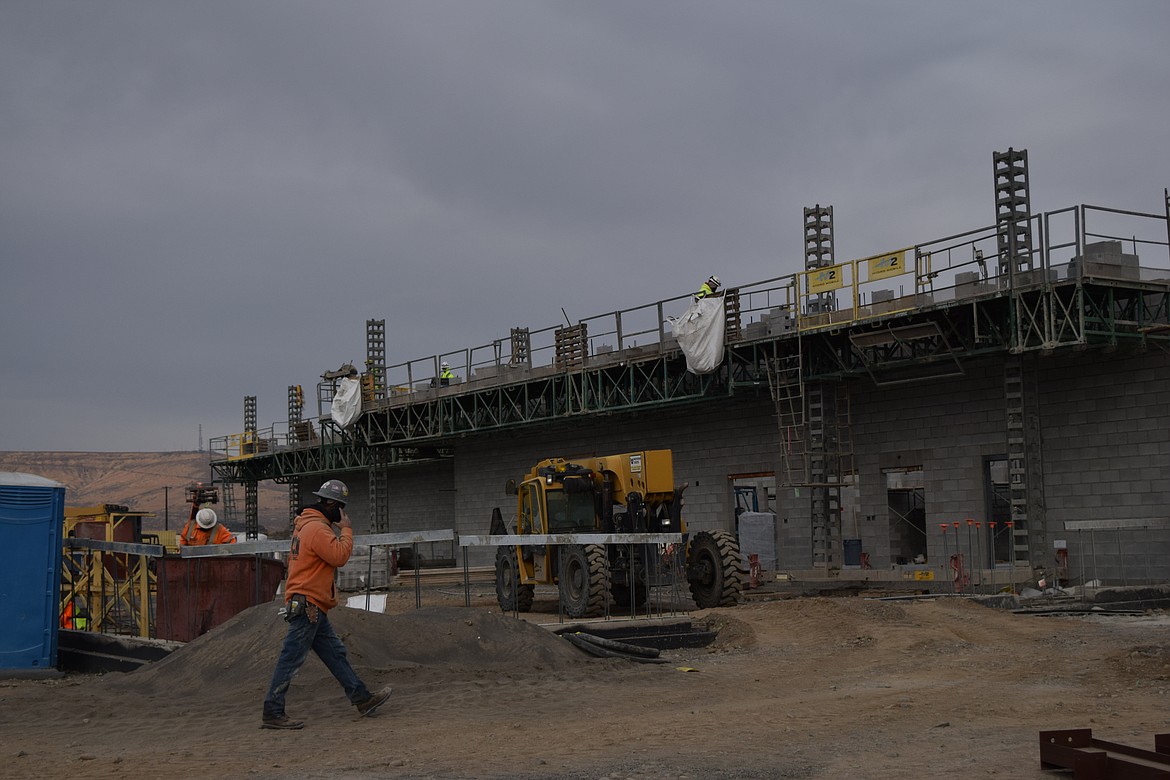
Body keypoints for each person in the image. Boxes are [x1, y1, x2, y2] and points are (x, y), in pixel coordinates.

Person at [261, 479, 392, 729]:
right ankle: (272, 710)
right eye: (340, 506)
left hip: (312, 604)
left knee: (335, 655)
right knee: (290, 659)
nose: (342, 513)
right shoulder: (317, 529)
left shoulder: (306, 526)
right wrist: (347, 530)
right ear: (331, 504)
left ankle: (362, 698)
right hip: (308, 603)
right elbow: (339, 556)